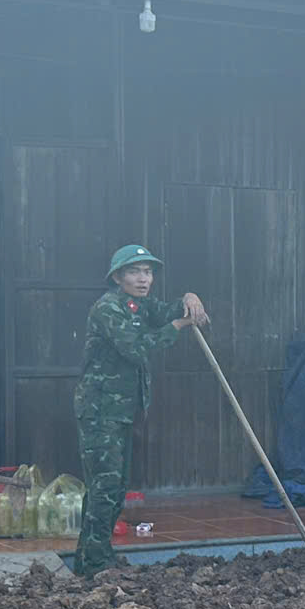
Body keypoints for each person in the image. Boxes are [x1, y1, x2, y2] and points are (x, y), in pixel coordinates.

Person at [74, 245, 208, 579]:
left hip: (121, 411)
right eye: (135, 271)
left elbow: (162, 311)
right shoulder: (108, 309)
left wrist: (188, 299)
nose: (143, 278)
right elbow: (135, 348)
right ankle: (95, 565)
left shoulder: (138, 304)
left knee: (114, 488)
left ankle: (93, 557)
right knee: (104, 488)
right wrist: (177, 325)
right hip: (100, 410)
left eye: (147, 272)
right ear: (118, 277)